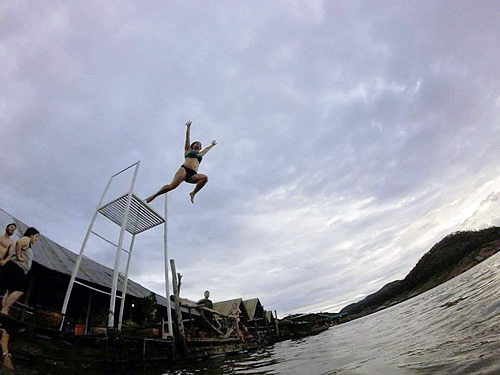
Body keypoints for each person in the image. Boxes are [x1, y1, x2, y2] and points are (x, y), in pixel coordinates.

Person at [145, 120, 217, 204]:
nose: (198, 145)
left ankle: (193, 193)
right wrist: (188, 128)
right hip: (184, 170)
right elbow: (187, 139)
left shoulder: (200, 155)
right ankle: (154, 195)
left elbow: (206, 150)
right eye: (196, 143)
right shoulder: (188, 151)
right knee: (171, 186)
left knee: (205, 178)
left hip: (193, 175)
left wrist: (212, 145)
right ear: (192, 146)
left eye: (200, 144)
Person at [0, 227, 39, 315]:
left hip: (14, 267)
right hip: (17, 268)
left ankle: (3, 310)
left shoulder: (27, 242)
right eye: (36, 237)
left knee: (10, 290)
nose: (36, 239)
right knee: (20, 290)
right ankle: (5, 309)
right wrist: (18, 256)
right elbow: (19, 242)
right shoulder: (26, 239)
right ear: (31, 235)